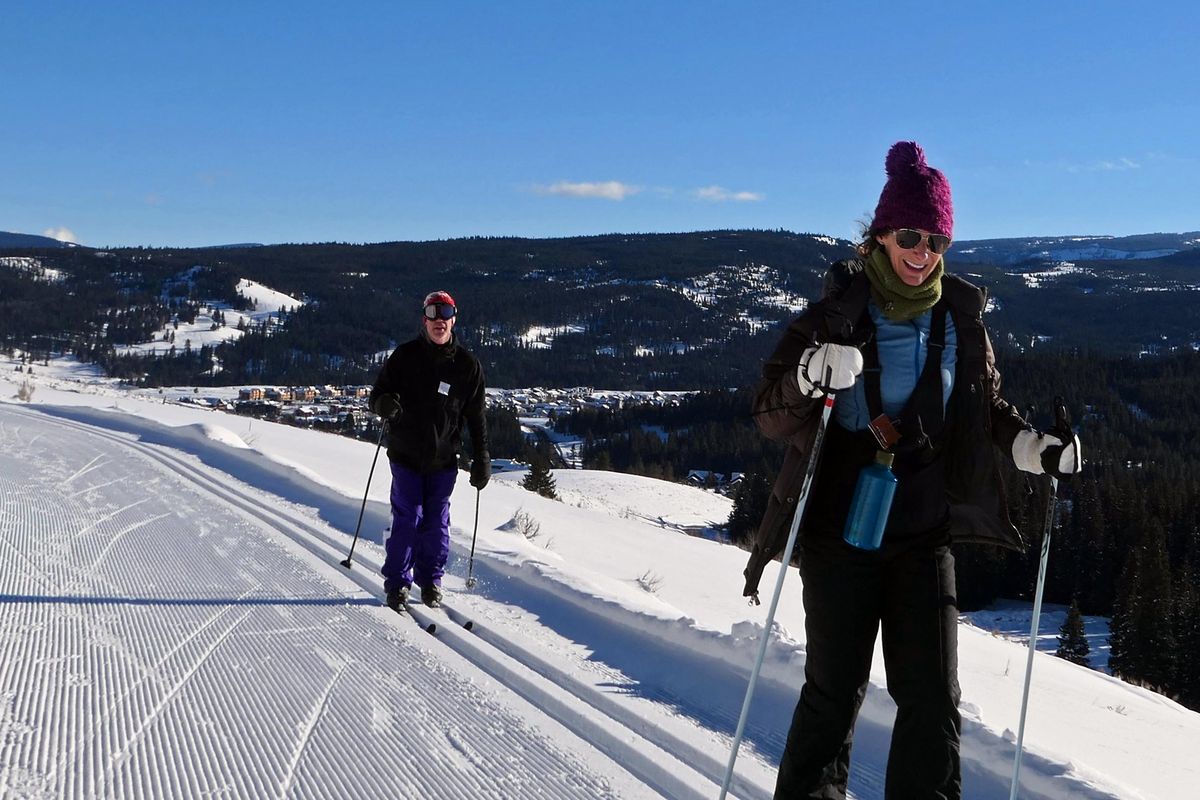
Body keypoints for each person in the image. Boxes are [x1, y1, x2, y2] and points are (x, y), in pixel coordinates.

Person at [742, 141, 1082, 799]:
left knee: (932, 702)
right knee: (833, 695)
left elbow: (985, 411)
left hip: (923, 536)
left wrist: (1031, 449)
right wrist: (812, 375)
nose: (922, 248)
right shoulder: (833, 315)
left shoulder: (960, 321)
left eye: (936, 237)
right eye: (908, 233)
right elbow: (768, 412)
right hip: (840, 535)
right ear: (880, 234)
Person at [370, 290, 490, 611]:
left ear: (454, 319)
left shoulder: (467, 366)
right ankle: (397, 583)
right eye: (433, 314)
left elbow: (476, 417)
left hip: (443, 460)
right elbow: (377, 394)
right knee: (408, 519)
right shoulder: (405, 356)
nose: (439, 321)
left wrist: (482, 459)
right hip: (405, 454)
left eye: (445, 313)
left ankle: (431, 581)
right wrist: (383, 403)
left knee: (436, 523)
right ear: (424, 319)